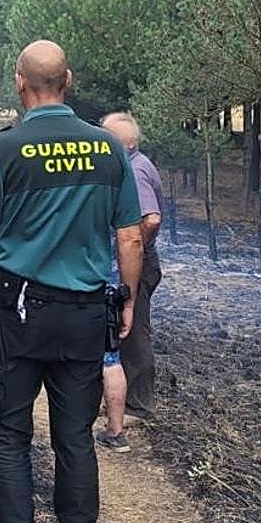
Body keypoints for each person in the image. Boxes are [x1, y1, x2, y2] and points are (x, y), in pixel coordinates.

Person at [0, 40, 143, 523]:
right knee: (75, 438)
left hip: (19, 313)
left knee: (9, 437)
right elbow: (129, 234)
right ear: (69, 80)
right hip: (85, 315)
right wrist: (124, 298)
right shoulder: (108, 149)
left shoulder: (4, 149)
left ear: (19, 83)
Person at [95, 112, 164, 445]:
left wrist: (131, 251)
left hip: (134, 259)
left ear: (130, 143)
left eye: (111, 139)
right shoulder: (132, 164)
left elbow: (150, 219)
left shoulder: (133, 171)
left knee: (133, 330)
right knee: (125, 330)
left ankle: (138, 405)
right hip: (131, 256)